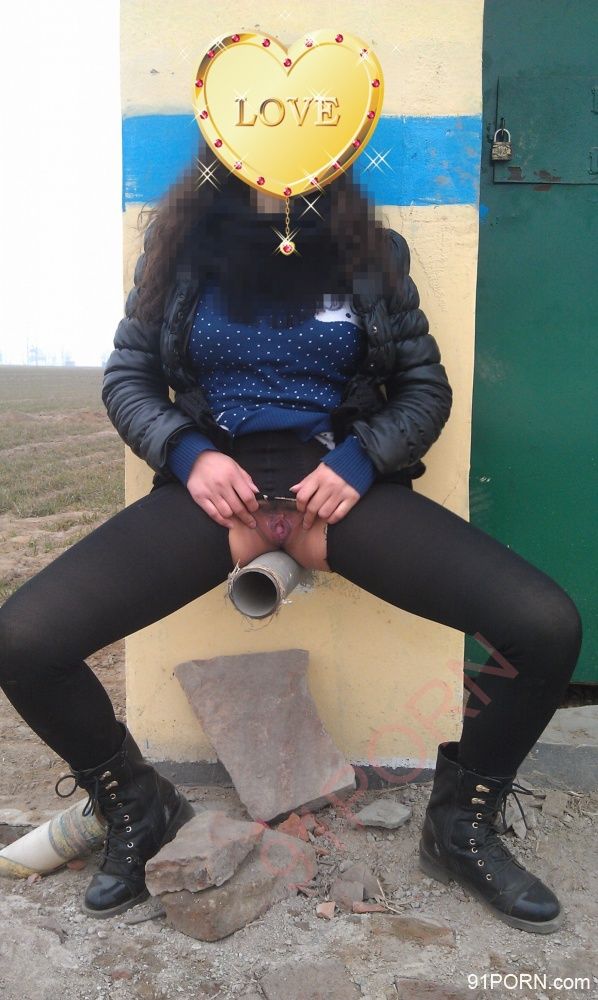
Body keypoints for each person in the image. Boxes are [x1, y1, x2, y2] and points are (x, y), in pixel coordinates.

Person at [0, 154, 582, 932]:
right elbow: (129, 377)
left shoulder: (371, 252)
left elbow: (424, 388)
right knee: (24, 640)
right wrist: (188, 454)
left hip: (335, 494)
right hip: (218, 495)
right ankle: (137, 804)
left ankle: (460, 824)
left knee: (546, 626)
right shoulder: (177, 247)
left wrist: (361, 460)